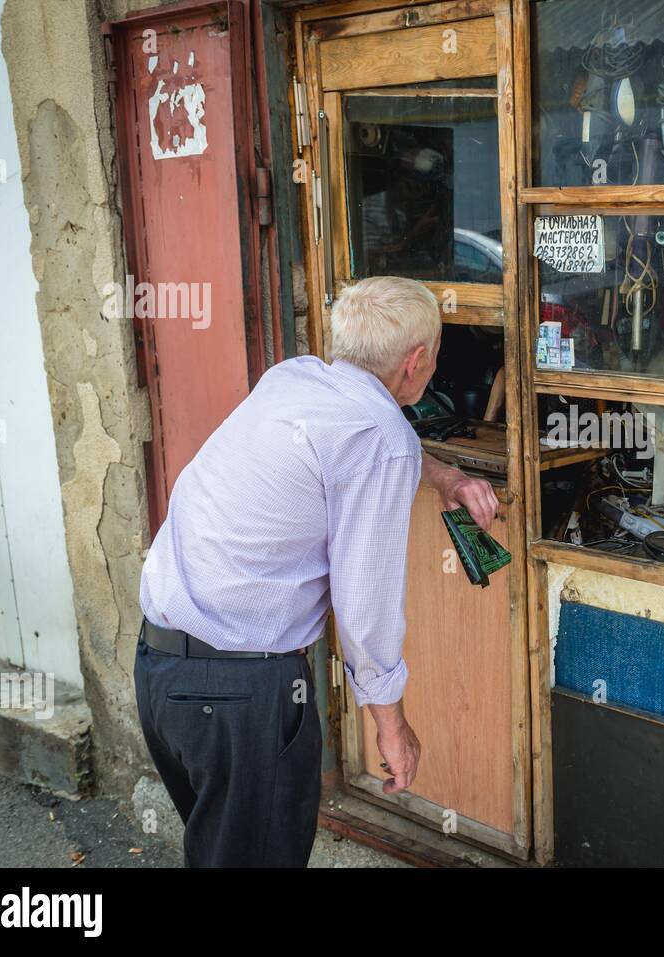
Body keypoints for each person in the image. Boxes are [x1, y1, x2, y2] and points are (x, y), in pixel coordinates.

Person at [134, 276, 498, 867]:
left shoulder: (294, 378)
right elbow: (366, 606)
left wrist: (443, 477)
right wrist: (391, 724)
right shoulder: (379, 440)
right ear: (418, 361)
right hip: (239, 695)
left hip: (161, 672)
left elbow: (365, 436)